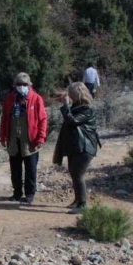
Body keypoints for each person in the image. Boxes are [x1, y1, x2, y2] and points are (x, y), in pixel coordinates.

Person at [53, 82, 102, 213]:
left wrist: (65, 105)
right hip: (75, 146)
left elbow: (72, 121)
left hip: (85, 147)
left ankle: (83, 205)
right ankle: (77, 200)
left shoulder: (87, 109)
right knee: (74, 174)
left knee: (78, 175)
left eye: (71, 93)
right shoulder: (76, 106)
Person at [0, 72, 47, 205]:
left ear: (30, 85)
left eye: (24, 84)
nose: (21, 86)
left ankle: (30, 193)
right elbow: (4, 119)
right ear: (15, 85)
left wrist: (41, 138)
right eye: (19, 84)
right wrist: (3, 136)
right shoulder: (9, 99)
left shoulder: (36, 99)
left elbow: (42, 119)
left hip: (30, 139)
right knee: (15, 168)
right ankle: (17, 192)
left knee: (31, 168)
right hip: (14, 139)